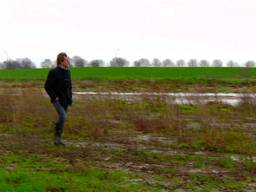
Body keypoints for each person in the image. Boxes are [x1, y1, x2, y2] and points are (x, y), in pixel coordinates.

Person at [44, 52, 72, 145]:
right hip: (57, 100)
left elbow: (69, 87)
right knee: (63, 117)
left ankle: (58, 140)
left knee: (62, 119)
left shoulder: (68, 72)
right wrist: (54, 96)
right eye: (67, 60)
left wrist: (70, 98)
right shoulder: (53, 72)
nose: (68, 61)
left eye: (68, 59)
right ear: (61, 61)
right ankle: (56, 134)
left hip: (66, 100)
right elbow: (47, 86)